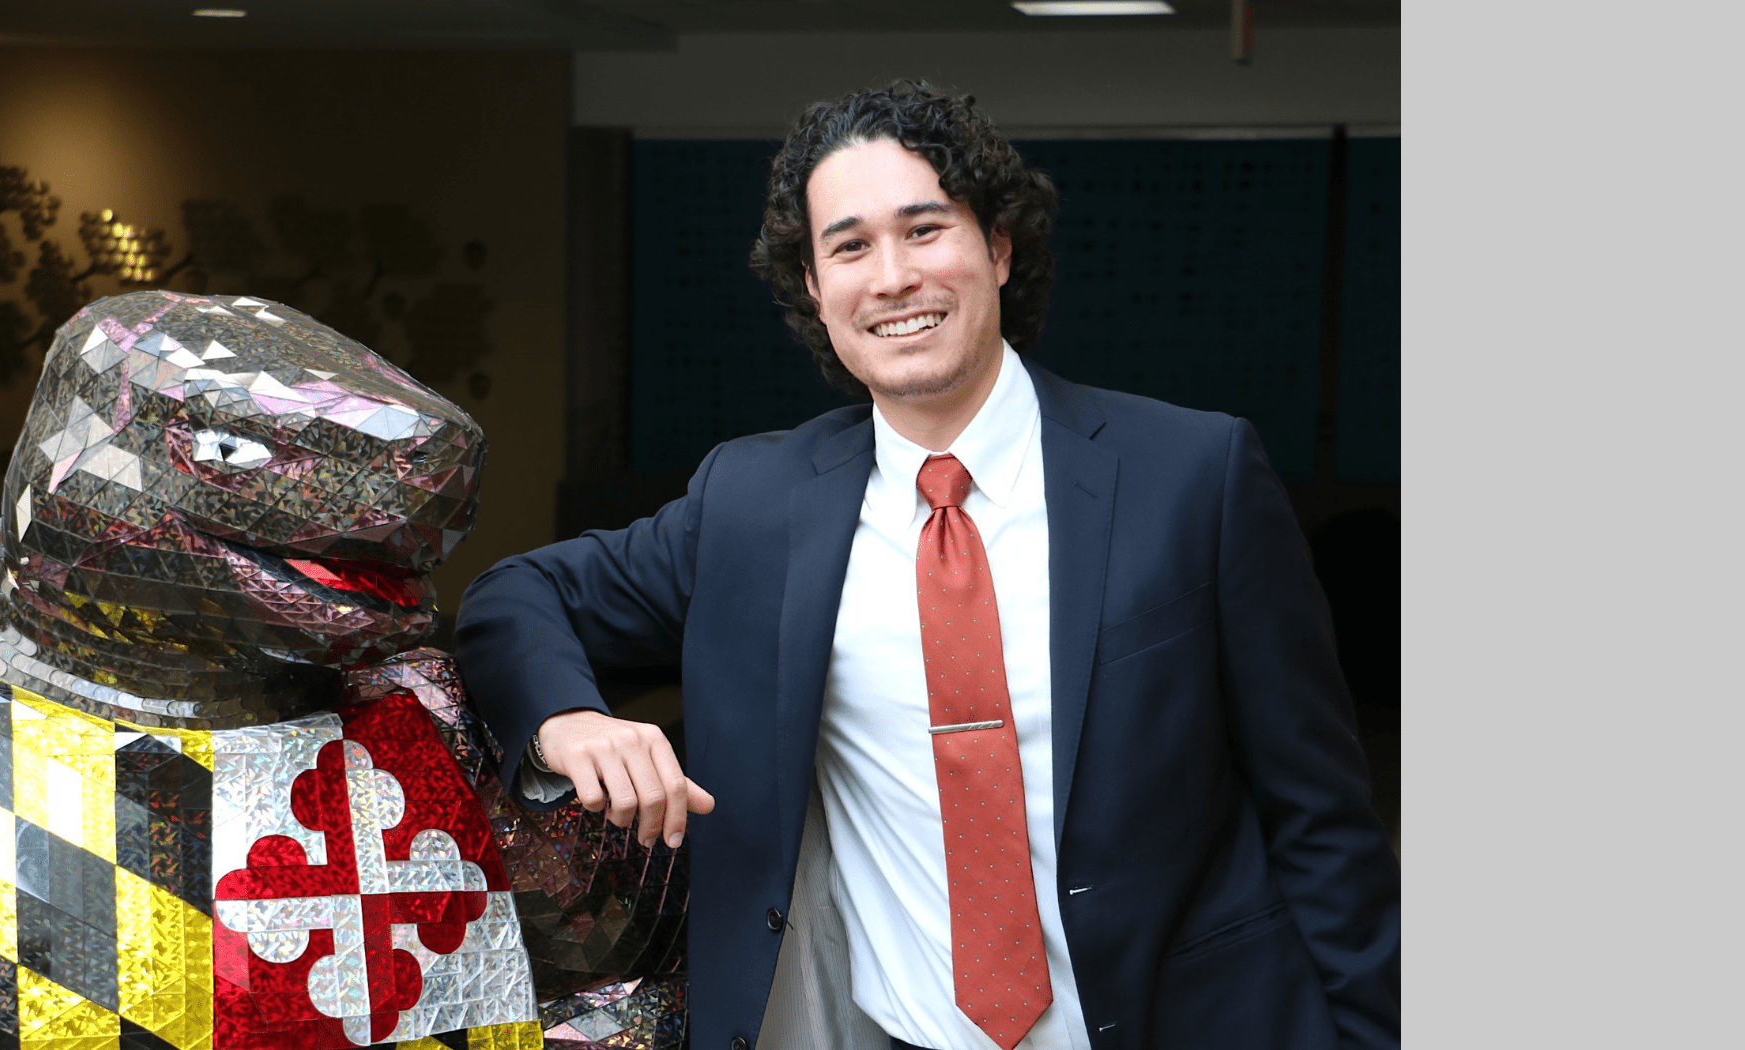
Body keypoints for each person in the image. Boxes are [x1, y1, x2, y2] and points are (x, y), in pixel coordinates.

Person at [454, 81, 1399, 1050]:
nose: (893, 276)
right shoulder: (753, 506)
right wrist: (568, 723)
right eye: (850, 246)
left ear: (998, 246)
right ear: (815, 290)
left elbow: (1323, 825)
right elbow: (513, 597)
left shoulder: (1194, 479)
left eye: (925, 229)